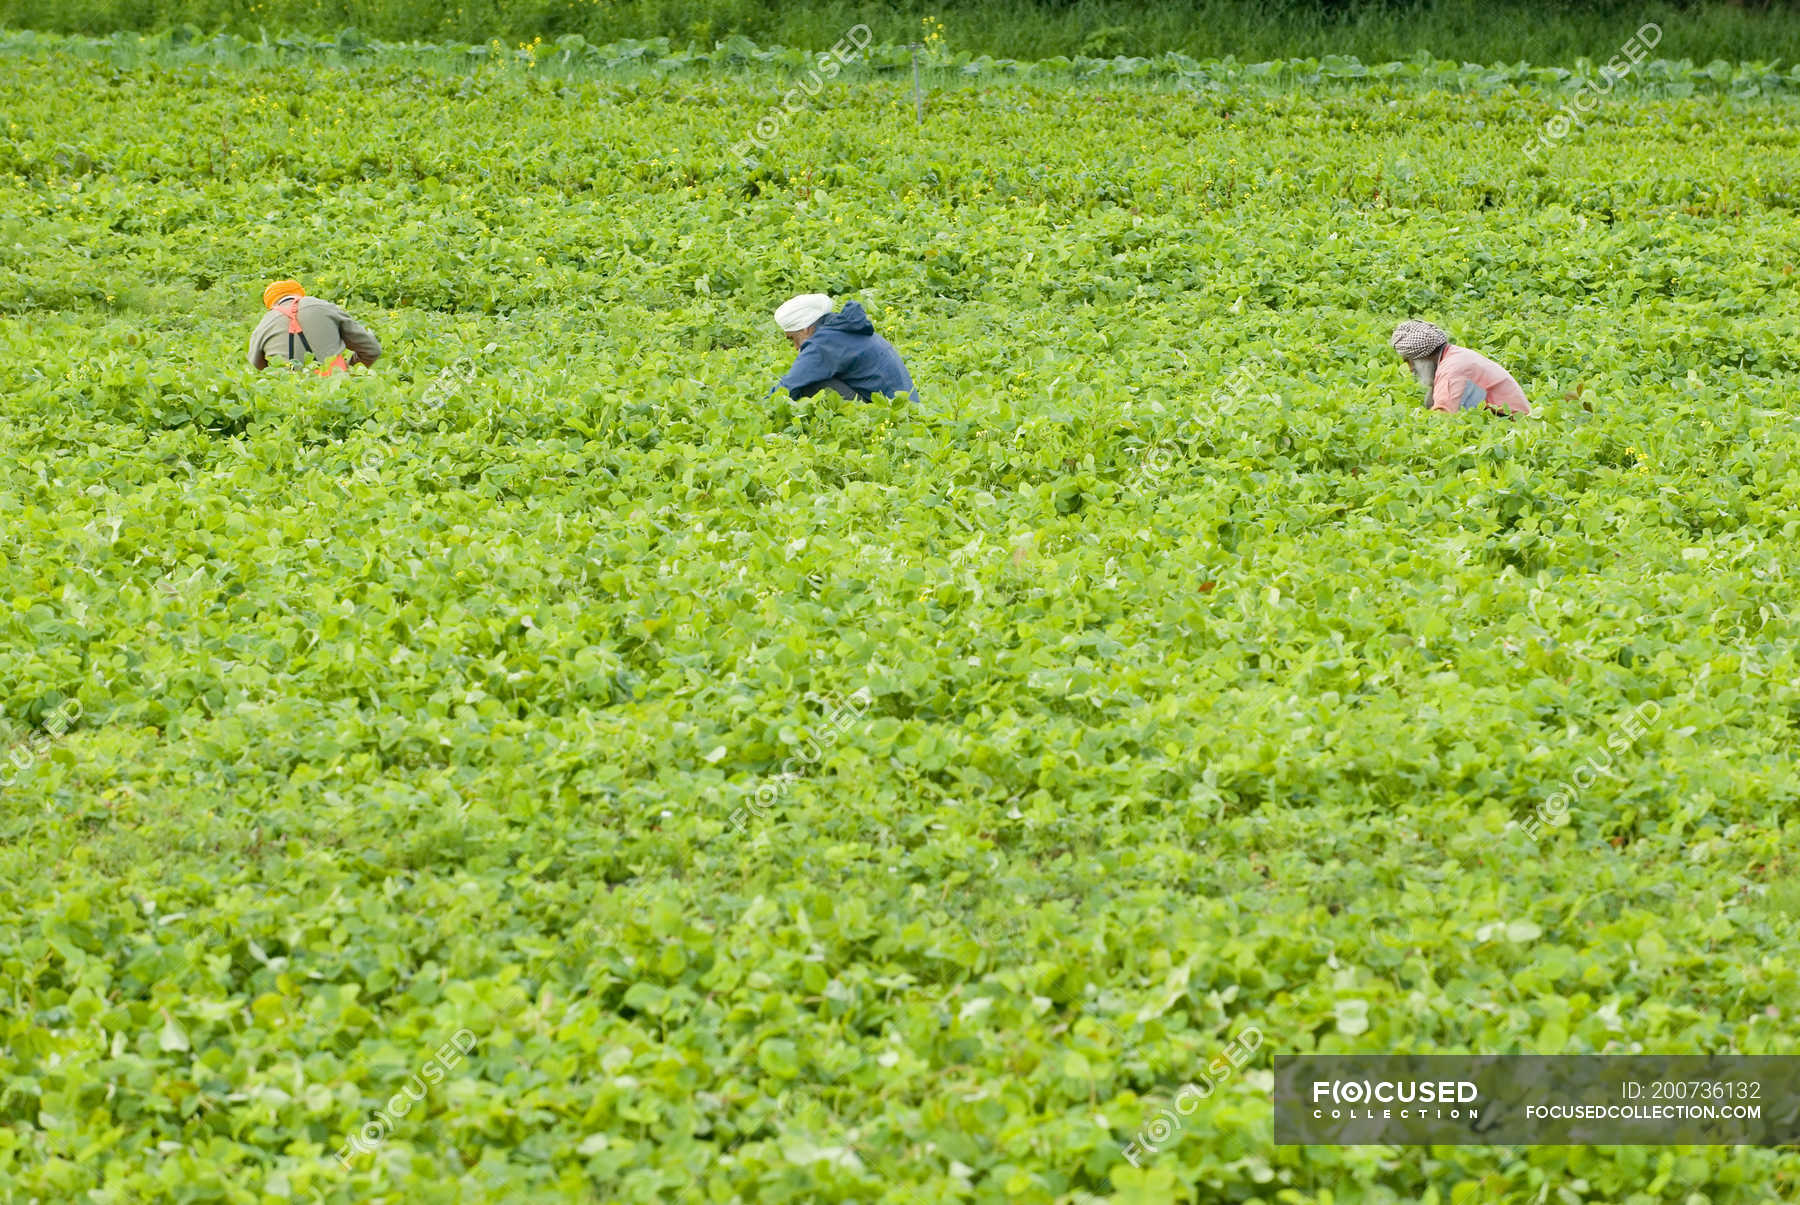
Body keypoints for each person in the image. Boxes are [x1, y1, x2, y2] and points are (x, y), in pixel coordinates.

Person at [771, 294, 916, 402]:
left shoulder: (824, 342)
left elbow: (789, 386)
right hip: (903, 405)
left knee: (808, 383)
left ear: (806, 329)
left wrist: (765, 409)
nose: (796, 347)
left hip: (890, 411)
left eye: (793, 338)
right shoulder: (839, 328)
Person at [1389, 320, 1530, 416]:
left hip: (1511, 424)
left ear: (1423, 358)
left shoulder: (1452, 369)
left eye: (1410, 362)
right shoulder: (1453, 355)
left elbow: (1443, 417)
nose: (1411, 369)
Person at [248, 280, 382, 375]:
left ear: (271, 305)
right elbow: (371, 349)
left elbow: (256, 367)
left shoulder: (264, 324)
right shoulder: (324, 306)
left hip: (290, 397)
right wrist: (349, 370)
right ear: (300, 294)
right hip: (336, 385)